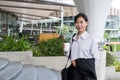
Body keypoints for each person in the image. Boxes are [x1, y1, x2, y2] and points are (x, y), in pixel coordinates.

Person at [66, 13, 100, 80]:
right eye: (77, 22)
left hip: (86, 74)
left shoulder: (91, 38)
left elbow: (96, 58)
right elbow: (71, 56)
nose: (79, 25)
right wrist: (66, 52)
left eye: (81, 22)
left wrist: (86, 68)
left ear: (86, 23)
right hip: (74, 73)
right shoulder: (73, 38)